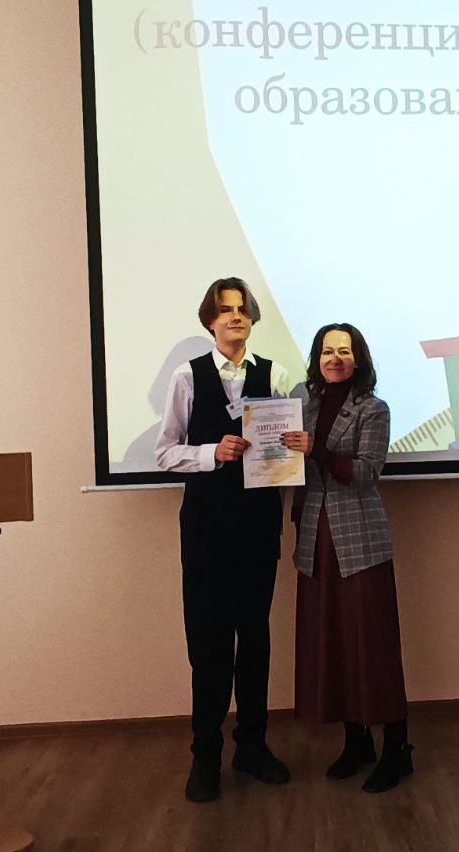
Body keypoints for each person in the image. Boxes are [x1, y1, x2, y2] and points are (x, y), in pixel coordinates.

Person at [154, 277, 292, 803]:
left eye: (242, 309)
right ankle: (205, 753)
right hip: (207, 528)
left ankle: (252, 746)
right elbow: (165, 452)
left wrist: (294, 448)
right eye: (225, 310)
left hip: (258, 523)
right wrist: (210, 453)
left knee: (254, 638)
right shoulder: (186, 377)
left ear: (251, 318)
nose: (235, 316)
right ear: (209, 321)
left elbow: (283, 453)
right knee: (209, 643)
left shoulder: (275, 374)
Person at [281, 324, 412, 793]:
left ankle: (397, 748)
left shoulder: (374, 408)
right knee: (333, 643)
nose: (334, 358)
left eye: (344, 351)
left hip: (359, 543)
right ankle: (357, 743)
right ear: (316, 358)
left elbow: (366, 472)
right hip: (315, 540)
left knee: (372, 645)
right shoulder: (303, 405)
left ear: (359, 360)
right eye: (327, 351)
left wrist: (315, 450)